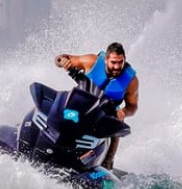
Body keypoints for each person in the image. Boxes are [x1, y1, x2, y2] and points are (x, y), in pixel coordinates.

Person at [54, 42, 139, 170]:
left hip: (106, 114)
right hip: (81, 105)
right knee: (60, 105)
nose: (117, 67)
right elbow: (60, 58)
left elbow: (132, 107)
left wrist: (124, 112)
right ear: (105, 60)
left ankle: (107, 164)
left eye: (120, 62)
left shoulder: (131, 81)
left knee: (116, 130)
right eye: (113, 62)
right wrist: (62, 62)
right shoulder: (91, 61)